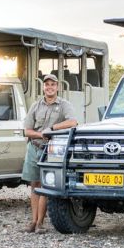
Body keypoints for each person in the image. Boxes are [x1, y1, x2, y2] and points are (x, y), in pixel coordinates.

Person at [22, 74, 78, 233]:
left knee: (46, 185)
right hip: (34, 147)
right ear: (43, 87)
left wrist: (52, 129)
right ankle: (33, 222)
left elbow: (73, 122)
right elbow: (27, 131)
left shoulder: (64, 105)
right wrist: (41, 135)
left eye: (53, 84)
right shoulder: (35, 106)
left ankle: (40, 223)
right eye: (47, 85)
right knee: (34, 185)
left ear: (57, 87)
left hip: (52, 149)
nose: (50, 87)